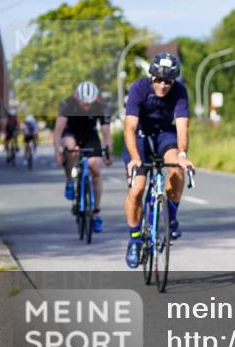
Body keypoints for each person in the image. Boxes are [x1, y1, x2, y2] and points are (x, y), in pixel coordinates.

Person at [122, 52, 195, 269]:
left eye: (168, 81)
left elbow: (182, 127)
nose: (162, 85)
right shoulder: (138, 88)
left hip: (164, 134)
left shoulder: (180, 91)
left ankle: (170, 217)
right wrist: (135, 158)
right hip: (140, 137)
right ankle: (135, 239)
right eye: (158, 80)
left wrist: (182, 154)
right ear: (151, 76)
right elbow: (129, 127)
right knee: (137, 188)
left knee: (176, 169)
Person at [53, 82, 112, 231]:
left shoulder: (101, 106)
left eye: (89, 104)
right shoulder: (68, 104)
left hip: (90, 134)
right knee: (71, 148)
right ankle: (69, 181)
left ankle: (96, 213)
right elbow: (58, 131)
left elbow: (106, 133)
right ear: (77, 98)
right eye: (84, 104)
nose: (86, 107)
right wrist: (57, 152)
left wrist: (108, 152)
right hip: (71, 132)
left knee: (96, 170)